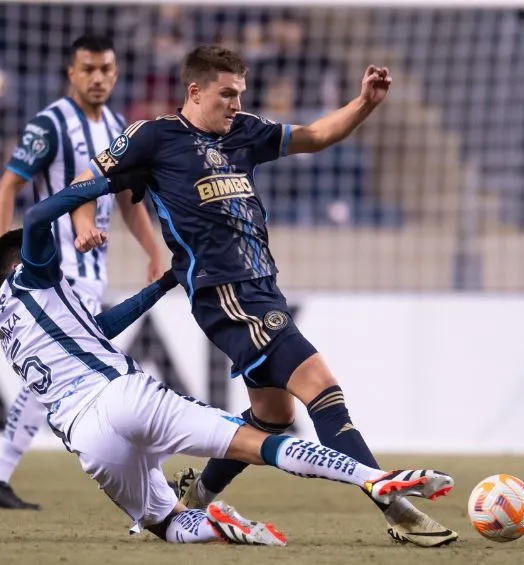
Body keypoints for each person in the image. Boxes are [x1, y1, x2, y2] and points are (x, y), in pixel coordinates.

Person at [70, 45, 458, 547]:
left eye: (240, 94)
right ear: (195, 91)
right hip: (224, 292)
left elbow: (316, 136)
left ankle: (190, 502)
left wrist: (364, 104)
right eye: (226, 94)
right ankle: (394, 505)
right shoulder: (154, 137)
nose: (235, 103)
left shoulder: (244, 131)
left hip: (262, 287)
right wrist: (83, 225)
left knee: (274, 417)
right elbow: (86, 181)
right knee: (322, 386)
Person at [0, 169, 455, 545]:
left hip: (86, 439)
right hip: (121, 395)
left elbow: (99, 331)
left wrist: (165, 283)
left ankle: (225, 526)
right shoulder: (33, 274)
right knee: (261, 442)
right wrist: (104, 183)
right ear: (19, 262)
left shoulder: (7, 322)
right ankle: (373, 478)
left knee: (168, 523)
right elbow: (44, 210)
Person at [0, 34, 161, 509]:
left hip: (92, 267)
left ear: (115, 74)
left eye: (106, 69)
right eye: (88, 69)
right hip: (54, 272)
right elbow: (7, 187)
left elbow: (125, 201)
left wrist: (152, 249)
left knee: (60, 379)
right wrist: (5, 262)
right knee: (64, 378)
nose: (97, 77)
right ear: (71, 73)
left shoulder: (120, 126)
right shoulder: (51, 123)